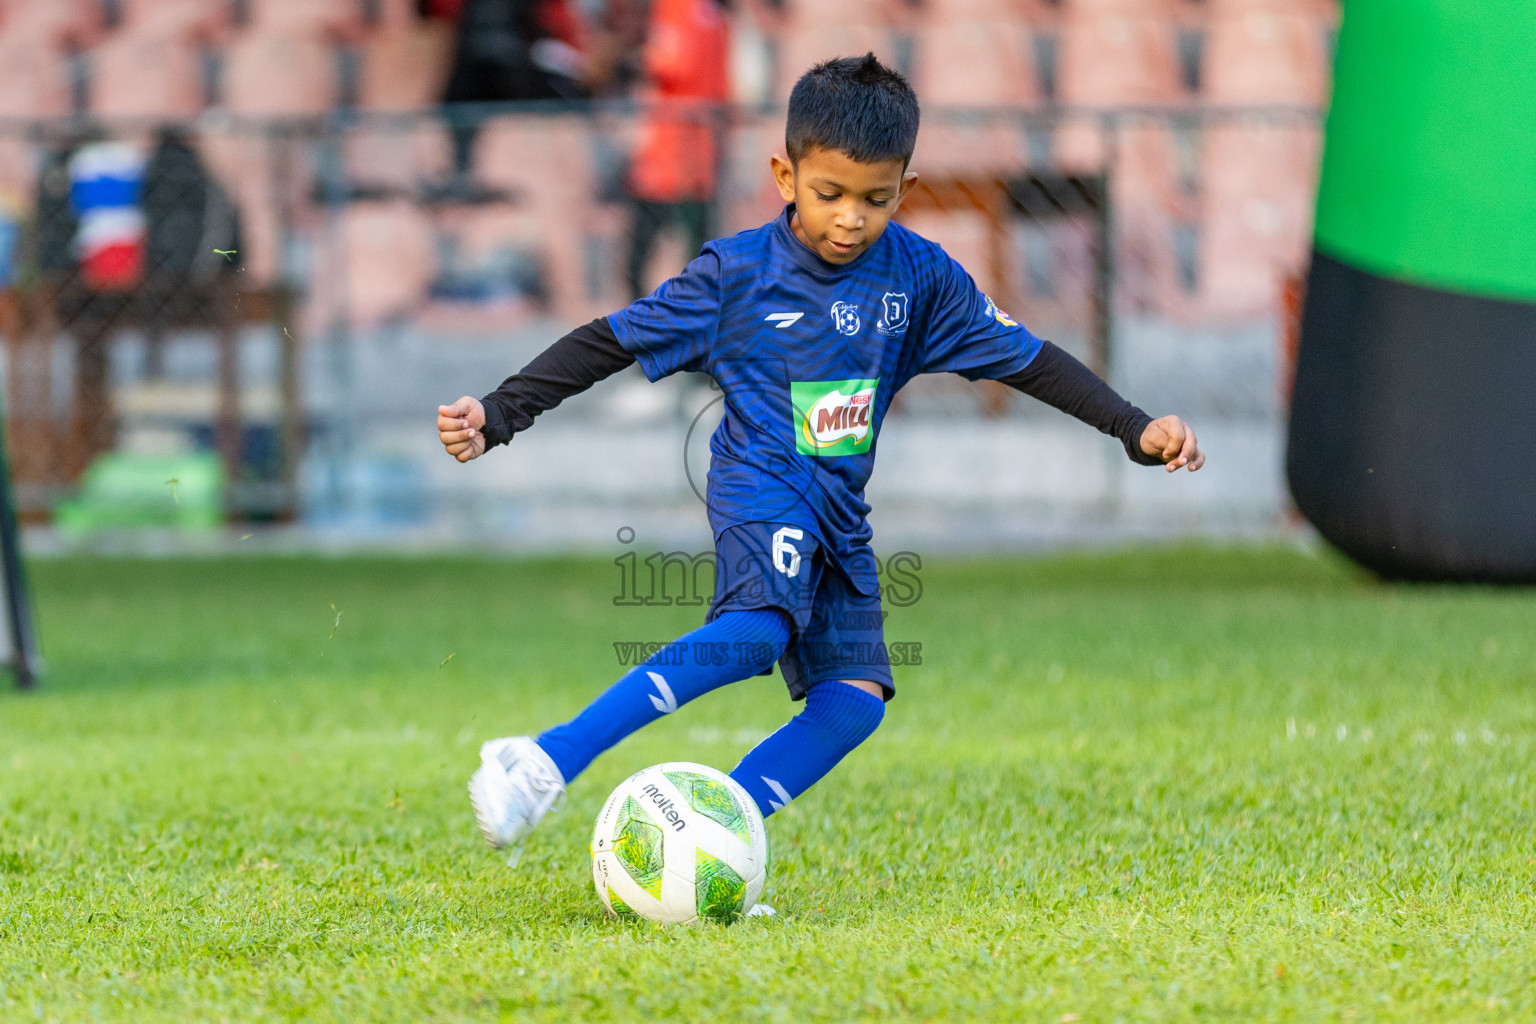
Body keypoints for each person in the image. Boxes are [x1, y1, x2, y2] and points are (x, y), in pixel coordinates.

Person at [436, 55, 1204, 861]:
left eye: (875, 198)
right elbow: (607, 341)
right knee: (756, 632)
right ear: (784, 175)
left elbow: (1029, 359)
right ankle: (545, 759)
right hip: (760, 484)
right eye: (829, 193)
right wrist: (498, 414)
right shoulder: (735, 276)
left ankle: (708, 841)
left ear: (904, 187)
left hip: (839, 511)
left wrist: (1133, 427)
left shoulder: (922, 279)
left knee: (854, 699)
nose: (850, 218)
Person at [624, 0, 731, 300]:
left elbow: (669, 63)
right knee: (700, 243)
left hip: (668, 151)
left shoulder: (676, 6)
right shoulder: (714, 11)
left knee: (640, 253)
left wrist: (636, 57)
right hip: (702, 149)